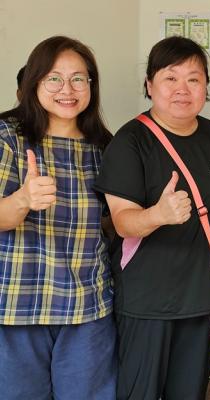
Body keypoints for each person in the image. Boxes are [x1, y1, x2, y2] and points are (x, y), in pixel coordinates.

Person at [94, 36, 210, 400]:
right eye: (170, 77)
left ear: (205, 86)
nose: (182, 89)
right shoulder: (131, 141)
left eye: (194, 79)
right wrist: (158, 214)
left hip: (199, 299)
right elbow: (122, 221)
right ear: (149, 84)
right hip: (147, 302)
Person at [0, 36, 115, 400]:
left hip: (87, 305)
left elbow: (112, 225)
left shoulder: (105, 147)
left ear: (91, 85)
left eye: (78, 78)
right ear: (34, 82)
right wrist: (23, 199)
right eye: (54, 78)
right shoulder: (8, 137)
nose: (67, 89)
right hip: (17, 305)